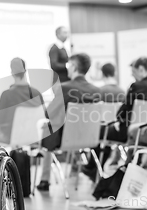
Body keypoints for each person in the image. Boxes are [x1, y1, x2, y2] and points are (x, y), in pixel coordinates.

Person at [82, 57, 147, 181]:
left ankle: (93, 169)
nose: (133, 77)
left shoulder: (136, 86)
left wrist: (119, 121)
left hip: (131, 133)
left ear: (141, 70)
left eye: (134, 73)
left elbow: (122, 113)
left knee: (100, 132)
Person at [37, 53, 101, 191]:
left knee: (47, 128)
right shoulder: (96, 91)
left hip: (66, 139)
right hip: (90, 138)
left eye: (68, 65)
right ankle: (76, 169)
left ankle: (44, 180)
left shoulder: (65, 88)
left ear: (73, 67)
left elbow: (49, 113)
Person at [0, 58, 43, 144]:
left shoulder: (6, 95)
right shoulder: (37, 93)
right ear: (25, 71)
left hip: (12, 137)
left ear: (12, 72)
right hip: (35, 137)